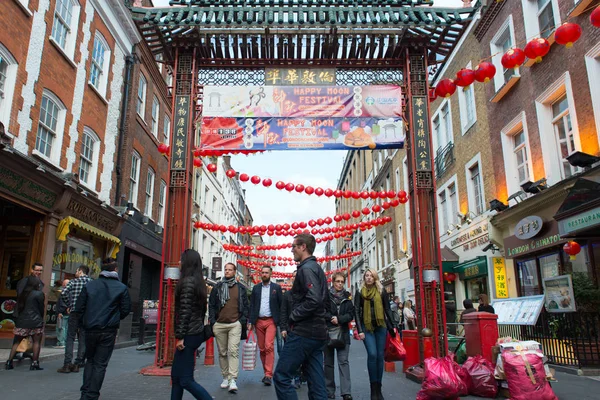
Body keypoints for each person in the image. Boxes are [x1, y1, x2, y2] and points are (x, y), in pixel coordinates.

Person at [273, 233, 329, 400]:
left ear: (303, 247)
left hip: (304, 333)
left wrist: (293, 316)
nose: (292, 251)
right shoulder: (316, 268)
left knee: (281, 376)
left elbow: (314, 299)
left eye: (294, 247)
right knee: (317, 384)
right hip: (318, 334)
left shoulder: (306, 269)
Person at [77, 258, 131, 400]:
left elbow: (79, 308)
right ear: (115, 270)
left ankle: (85, 392)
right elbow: (125, 309)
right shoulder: (121, 287)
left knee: (90, 360)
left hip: (90, 328)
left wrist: (85, 321)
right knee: (100, 364)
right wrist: (114, 318)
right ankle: (92, 394)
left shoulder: (90, 285)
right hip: (108, 329)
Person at [171, 249, 212, 400]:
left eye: (181, 260)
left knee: (185, 380)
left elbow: (185, 311)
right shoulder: (199, 282)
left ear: (187, 263)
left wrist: (181, 337)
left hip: (188, 334)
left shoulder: (188, 282)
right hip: (194, 331)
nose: (179, 263)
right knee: (176, 377)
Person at [208, 262, 250, 394]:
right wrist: (213, 322)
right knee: (222, 352)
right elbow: (212, 304)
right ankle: (225, 377)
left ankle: (233, 379)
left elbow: (245, 305)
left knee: (233, 351)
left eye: (230, 270)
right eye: (225, 269)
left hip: (234, 324)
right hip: (220, 324)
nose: (227, 272)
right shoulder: (218, 287)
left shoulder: (240, 288)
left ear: (234, 272)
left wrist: (242, 321)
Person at [354, 268, 396, 400]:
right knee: (372, 354)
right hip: (367, 327)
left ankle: (379, 388)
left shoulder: (381, 290)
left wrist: (393, 326)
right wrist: (359, 330)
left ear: (375, 278)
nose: (369, 278)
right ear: (364, 278)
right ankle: (373, 389)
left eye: (371, 276)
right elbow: (356, 311)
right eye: (366, 275)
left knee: (379, 356)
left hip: (381, 327)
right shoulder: (360, 292)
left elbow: (387, 308)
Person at [248, 265, 283, 386]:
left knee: (269, 346)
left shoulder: (276, 288)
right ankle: (265, 373)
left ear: (271, 274)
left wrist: (281, 323)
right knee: (262, 349)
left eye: (266, 272)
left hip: (271, 321)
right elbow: (252, 305)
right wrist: (250, 321)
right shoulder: (256, 288)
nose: (264, 274)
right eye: (262, 272)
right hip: (258, 321)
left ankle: (268, 374)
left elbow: (281, 305)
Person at [324, 272, 354, 400]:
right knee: (328, 364)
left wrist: (339, 319)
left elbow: (350, 315)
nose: (340, 284)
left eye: (342, 282)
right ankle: (329, 390)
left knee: (343, 362)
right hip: (328, 333)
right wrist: (331, 318)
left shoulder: (348, 298)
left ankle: (346, 392)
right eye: (338, 281)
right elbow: (322, 311)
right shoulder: (326, 297)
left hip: (343, 334)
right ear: (333, 282)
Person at [5, 276, 45, 370]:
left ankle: (9, 361)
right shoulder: (39, 294)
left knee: (17, 341)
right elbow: (41, 308)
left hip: (22, 321)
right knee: (36, 342)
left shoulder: (23, 293)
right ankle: (35, 363)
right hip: (35, 321)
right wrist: (41, 318)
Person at [58, 265, 92, 373]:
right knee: (82, 337)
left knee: (70, 337)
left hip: (74, 312)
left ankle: (67, 364)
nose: (75, 272)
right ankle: (78, 363)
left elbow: (63, 293)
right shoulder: (92, 283)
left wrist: (69, 304)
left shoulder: (73, 282)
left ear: (81, 271)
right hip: (86, 313)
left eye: (77, 271)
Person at [280, 270, 302, 389]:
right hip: (290, 329)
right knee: (292, 355)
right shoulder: (287, 295)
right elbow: (283, 312)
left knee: (301, 355)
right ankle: (295, 377)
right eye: (293, 277)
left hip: (303, 329)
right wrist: (283, 328)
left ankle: (301, 374)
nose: (295, 278)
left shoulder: (306, 294)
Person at [54, 279, 70, 348]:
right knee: (66, 328)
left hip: (63, 312)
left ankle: (61, 342)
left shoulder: (64, 292)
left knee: (61, 327)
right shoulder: (71, 291)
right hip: (68, 312)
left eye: (63, 284)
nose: (62, 285)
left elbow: (62, 303)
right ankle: (64, 342)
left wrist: (60, 311)